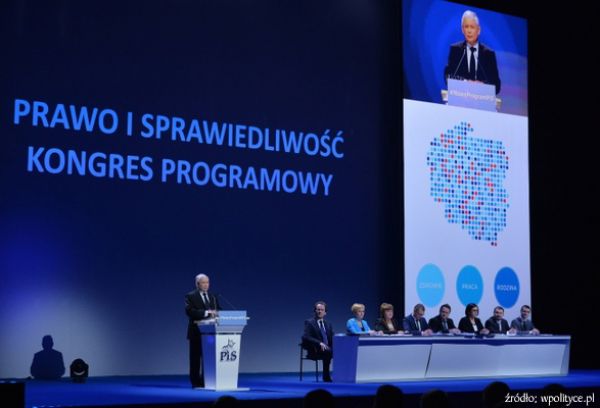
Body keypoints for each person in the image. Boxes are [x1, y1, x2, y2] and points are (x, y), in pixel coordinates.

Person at [444, 10, 501, 94]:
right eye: (466, 27)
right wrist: (466, 83)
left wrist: (482, 85)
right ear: (462, 30)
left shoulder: (488, 54)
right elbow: (448, 77)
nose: (469, 31)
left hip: (482, 99)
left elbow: (496, 85)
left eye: (472, 27)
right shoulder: (455, 50)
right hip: (460, 97)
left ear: (478, 30)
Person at [185, 273, 221, 388]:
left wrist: (218, 314)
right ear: (197, 284)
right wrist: (207, 313)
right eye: (203, 283)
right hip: (196, 332)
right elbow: (190, 312)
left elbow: (219, 310)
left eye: (207, 282)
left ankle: (207, 381)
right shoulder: (190, 296)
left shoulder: (212, 297)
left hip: (210, 333)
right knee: (195, 359)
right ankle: (195, 382)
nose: (206, 285)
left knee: (208, 358)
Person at [302, 301, 334, 382]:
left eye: (322, 310)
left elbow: (332, 337)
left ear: (325, 312)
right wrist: (319, 343)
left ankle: (342, 375)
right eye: (318, 309)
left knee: (340, 351)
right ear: (315, 311)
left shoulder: (328, 324)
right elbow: (306, 336)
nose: (320, 311)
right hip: (315, 349)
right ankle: (326, 377)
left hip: (328, 348)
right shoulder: (309, 322)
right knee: (328, 352)